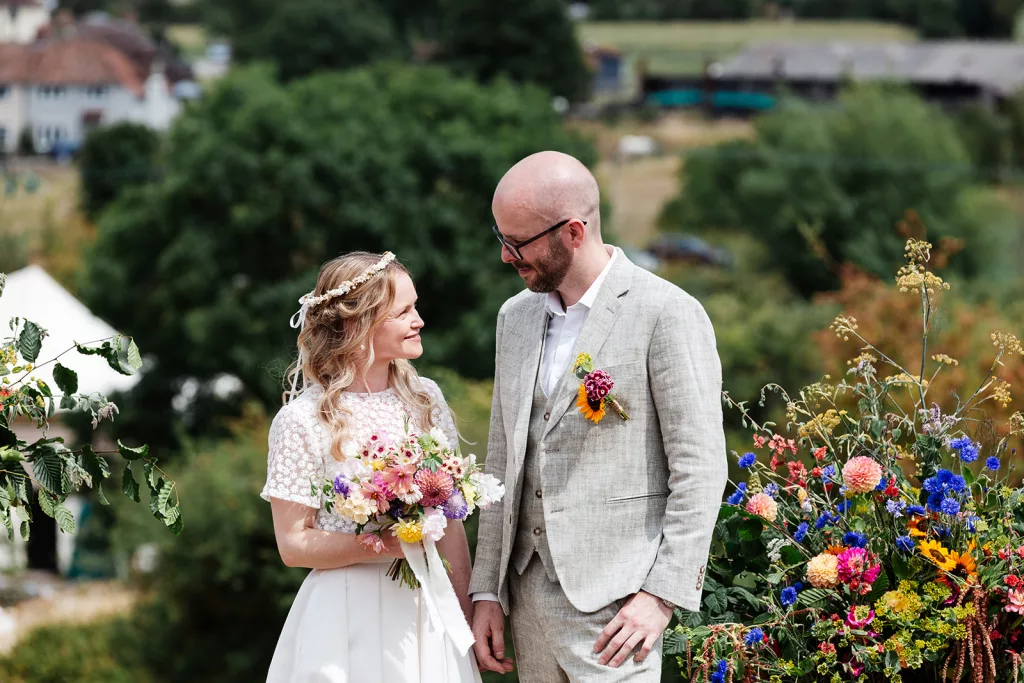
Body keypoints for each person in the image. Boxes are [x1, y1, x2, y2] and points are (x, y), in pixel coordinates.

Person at [469, 151, 728, 680]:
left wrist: (660, 596)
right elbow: (502, 459)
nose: (505, 256)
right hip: (525, 599)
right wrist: (486, 590)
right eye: (501, 237)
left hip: (620, 610)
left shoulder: (667, 312)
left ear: (573, 232)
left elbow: (700, 469)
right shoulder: (513, 317)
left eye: (517, 242)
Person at [261, 251, 481, 683]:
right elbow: (293, 544)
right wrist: (384, 544)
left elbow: (450, 525)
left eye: (415, 307)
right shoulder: (302, 419)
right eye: (403, 312)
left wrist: (466, 616)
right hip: (344, 615)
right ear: (359, 324)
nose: (419, 321)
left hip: (425, 609)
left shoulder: (426, 399)